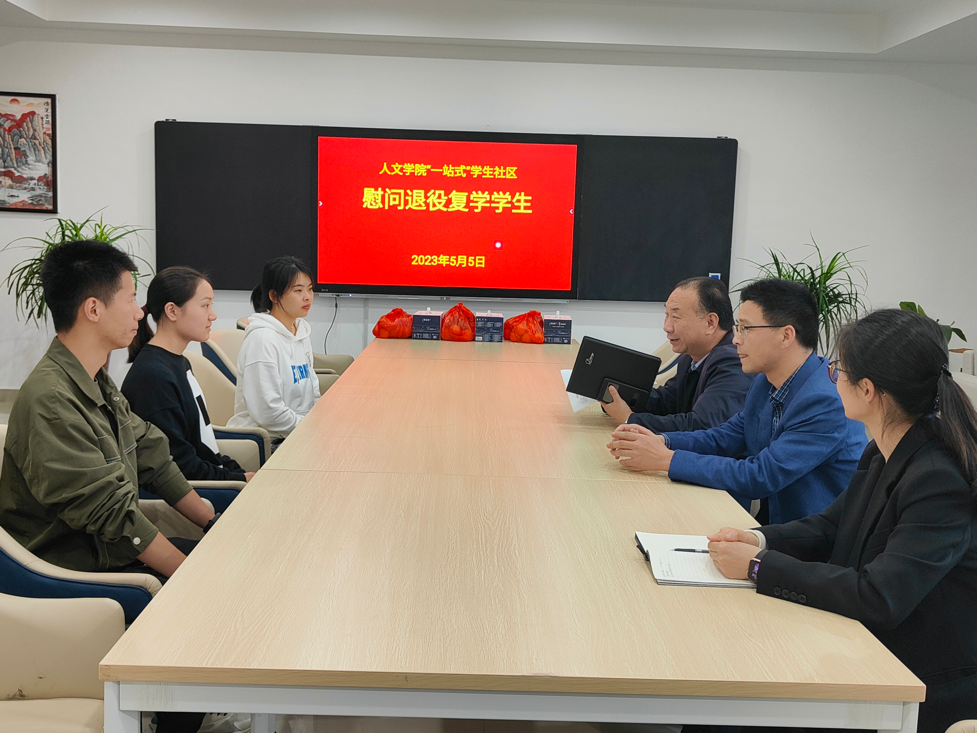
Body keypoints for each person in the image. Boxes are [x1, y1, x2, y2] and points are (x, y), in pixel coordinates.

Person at [708, 309, 977, 733]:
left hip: (916, 679)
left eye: (838, 370)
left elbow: (878, 596)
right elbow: (829, 527)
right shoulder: (883, 448)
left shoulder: (939, 479)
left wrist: (759, 567)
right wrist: (756, 539)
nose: (832, 378)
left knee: (732, 710)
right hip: (863, 645)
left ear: (867, 390)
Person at [0, 241, 218, 733]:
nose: (140, 311)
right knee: (201, 593)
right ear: (93, 309)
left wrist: (212, 521)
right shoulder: (51, 398)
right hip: (65, 564)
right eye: (131, 298)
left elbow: (151, 450)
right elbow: (110, 514)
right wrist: (190, 573)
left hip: (103, 547)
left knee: (218, 566)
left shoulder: (94, 378)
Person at [607, 279, 866, 525]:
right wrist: (661, 441)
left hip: (813, 542)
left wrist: (667, 459)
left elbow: (761, 475)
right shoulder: (765, 382)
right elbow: (724, 437)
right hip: (775, 529)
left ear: (786, 336)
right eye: (737, 328)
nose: (736, 339)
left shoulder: (825, 400)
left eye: (746, 329)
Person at [122, 266, 254, 484]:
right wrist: (236, 479)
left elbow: (201, 444)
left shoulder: (177, 362)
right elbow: (179, 465)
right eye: (205, 305)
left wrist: (236, 473)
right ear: (172, 311)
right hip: (198, 491)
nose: (213, 315)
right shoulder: (153, 377)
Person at [602, 277, 754, 431]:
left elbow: (701, 425)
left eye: (675, 317)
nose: (666, 327)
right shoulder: (690, 357)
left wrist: (629, 419)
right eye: (666, 315)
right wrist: (617, 395)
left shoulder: (733, 361)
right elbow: (667, 402)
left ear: (710, 323)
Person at [227, 256, 319, 442]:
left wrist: (318, 420)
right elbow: (268, 412)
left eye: (310, 289)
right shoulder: (262, 339)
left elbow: (313, 389)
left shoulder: (300, 331)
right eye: (298, 290)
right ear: (274, 296)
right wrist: (310, 428)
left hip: (298, 430)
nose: (307, 296)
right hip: (270, 439)